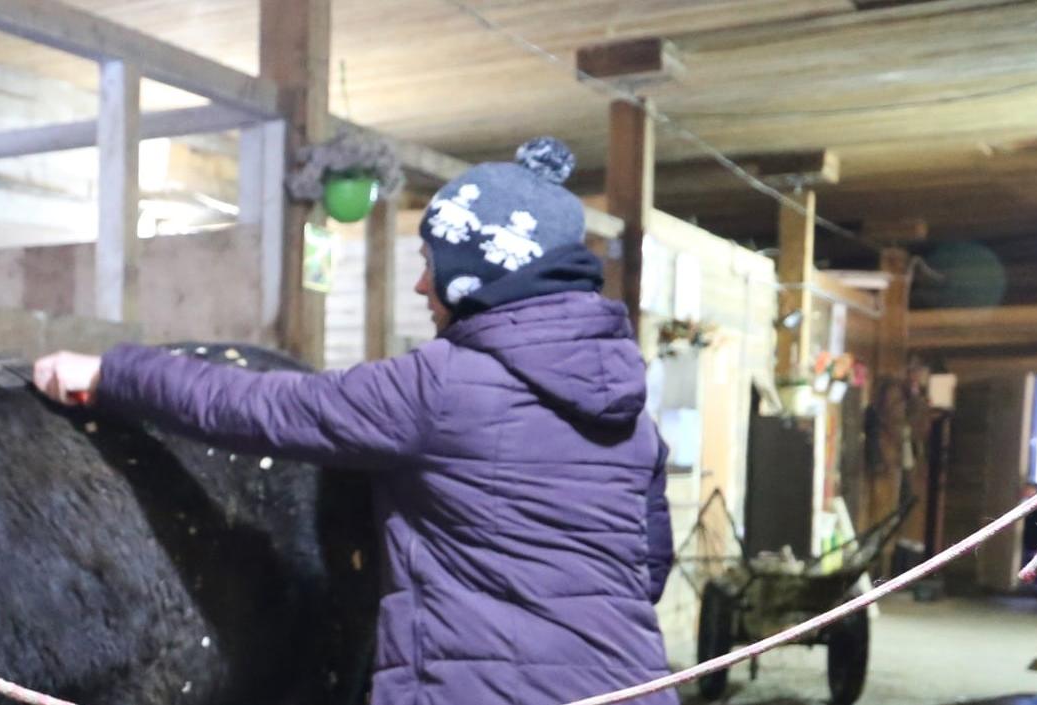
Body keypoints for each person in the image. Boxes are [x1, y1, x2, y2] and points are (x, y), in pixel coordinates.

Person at [34, 138, 673, 704]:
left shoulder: (439, 386)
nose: (423, 286)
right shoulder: (627, 406)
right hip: (633, 685)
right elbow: (647, 570)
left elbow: (258, 407)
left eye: (431, 264)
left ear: (474, 276)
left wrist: (112, 372)